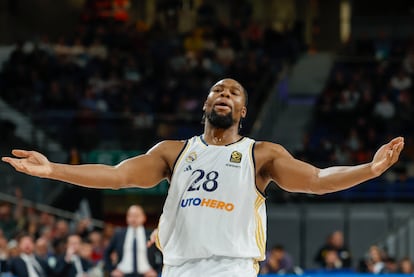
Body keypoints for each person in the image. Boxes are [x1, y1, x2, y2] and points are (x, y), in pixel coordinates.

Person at [1, 78, 405, 277]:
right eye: (218, 90)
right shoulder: (173, 152)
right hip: (177, 269)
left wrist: (368, 170)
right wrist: (53, 168)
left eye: (234, 93)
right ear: (207, 103)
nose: (225, 94)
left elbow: (317, 179)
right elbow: (115, 175)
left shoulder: (260, 154)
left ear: (243, 111)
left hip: (231, 268)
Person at [103, 205, 161, 277]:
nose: (133, 218)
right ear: (127, 218)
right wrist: (111, 270)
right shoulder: (119, 234)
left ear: (144, 217)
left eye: (137, 215)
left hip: (146, 273)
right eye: (131, 215)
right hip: (123, 273)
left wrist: (157, 270)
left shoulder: (151, 234)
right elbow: (107, 252)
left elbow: (161, 252)